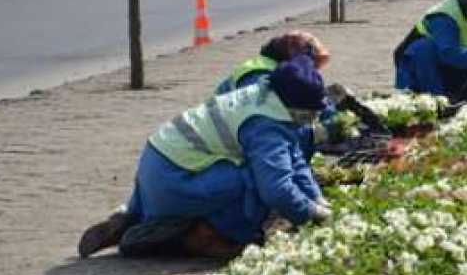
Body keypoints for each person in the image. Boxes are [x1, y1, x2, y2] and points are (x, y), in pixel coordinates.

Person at [77, 55, 332, 260]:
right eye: (309, 113)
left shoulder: (262, 94)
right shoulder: (265, 125)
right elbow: (276, 190)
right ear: (295, 106)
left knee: (260, 169)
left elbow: (294, 158)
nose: (311, 119)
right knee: (255, 179)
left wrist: (317, 199)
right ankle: (206, 236)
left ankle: (132, 219)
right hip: (174, 179)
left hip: (155, 167)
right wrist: (311, 215)